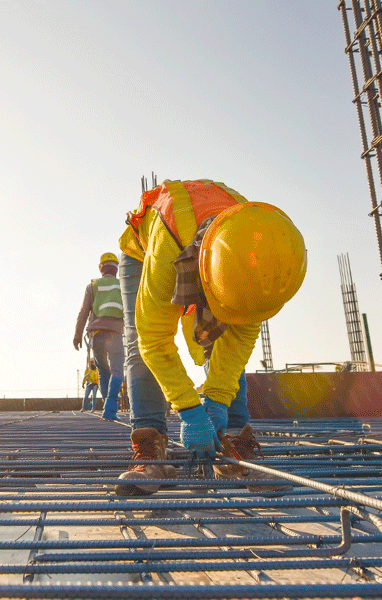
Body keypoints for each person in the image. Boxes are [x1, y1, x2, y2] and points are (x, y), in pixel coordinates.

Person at [114, 179, 306, 496]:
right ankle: (150, 448)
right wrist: (190, 411)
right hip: (147, 249)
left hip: (222, 250)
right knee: (137, 343)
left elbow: (236, 344)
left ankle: (234, 442)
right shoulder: (168, 247)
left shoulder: (264, 256)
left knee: (225, 335)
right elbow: (154, 340)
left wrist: (216, 400)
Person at [73, 252, 125, 420]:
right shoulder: (122, 285)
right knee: (117, 371)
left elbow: (83, 312)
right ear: (117, 269)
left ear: (100, 268)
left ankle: (107, 407)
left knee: (103, 372)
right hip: (116, 334)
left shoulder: (92, 286)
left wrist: (77, 335)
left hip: (97, 335)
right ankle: (111, 408)